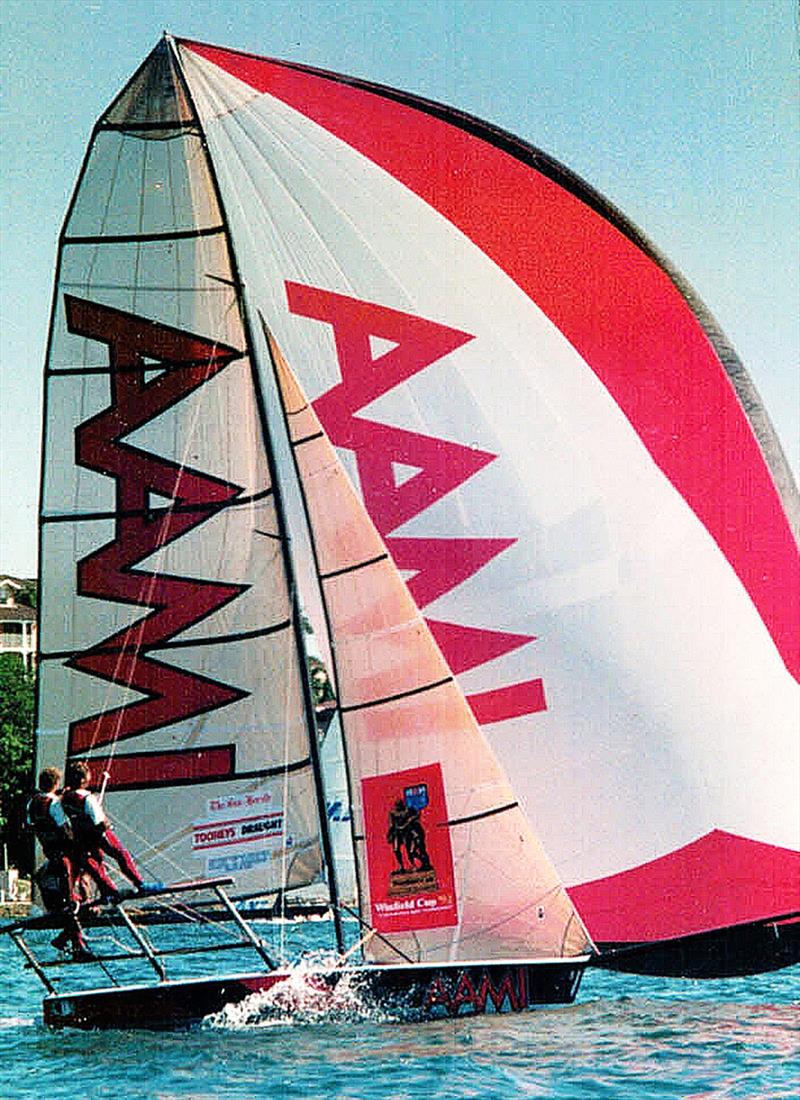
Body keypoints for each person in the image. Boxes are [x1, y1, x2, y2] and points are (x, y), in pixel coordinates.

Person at [25, 767, 91, 958]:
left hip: (50, 853)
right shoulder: (54, 803)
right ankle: (76, 945)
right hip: (64, 858)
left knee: (71, 902)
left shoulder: (31, 804)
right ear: (56, 783)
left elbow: (32, 825)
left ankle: (67, 939)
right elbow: (64, 828)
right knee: (72, 901)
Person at [61, 761, 146, 894]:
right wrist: (108, 824)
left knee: (96, 863)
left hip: (84, 838)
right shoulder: (88, 798)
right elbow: (100, 823)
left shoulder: (65, 798)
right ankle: (140, 884)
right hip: (99, 835)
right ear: (83, 779)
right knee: (121, 855)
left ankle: (107, 892)